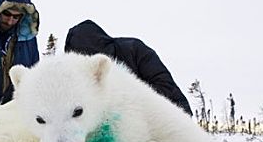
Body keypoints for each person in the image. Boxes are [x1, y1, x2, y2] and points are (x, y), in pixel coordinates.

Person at [64, 20, 193, 116]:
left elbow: (165, 88)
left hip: (175, 116)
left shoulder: (133, 50)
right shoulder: (83, 78)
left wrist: (123, 106)